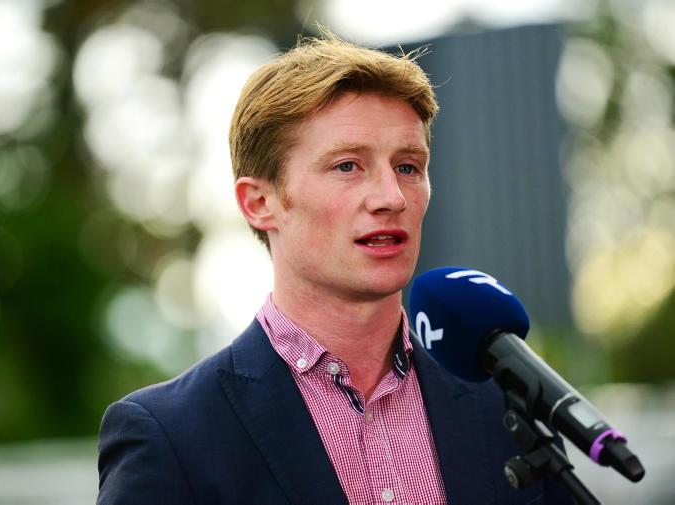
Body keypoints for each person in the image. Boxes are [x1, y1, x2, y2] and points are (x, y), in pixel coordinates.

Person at [97, 34, 571, 504]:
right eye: (348, 166)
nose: (391, 197)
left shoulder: (505, 404)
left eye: (408, 167)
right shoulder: (172, 435)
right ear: (259, 202)